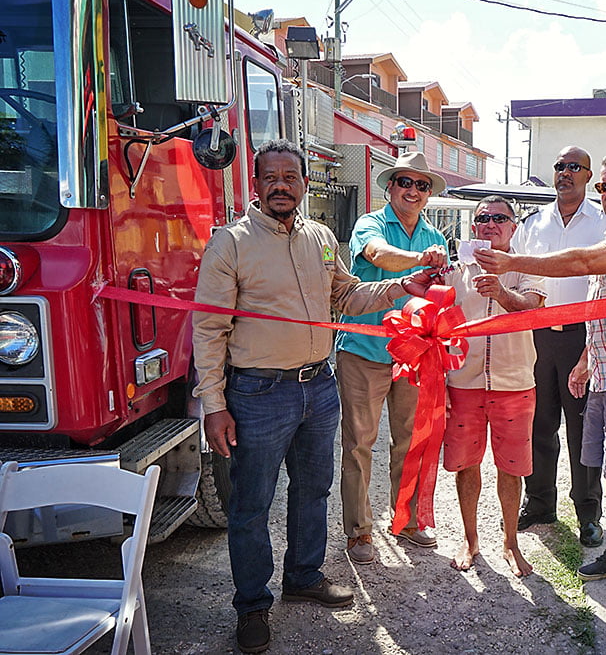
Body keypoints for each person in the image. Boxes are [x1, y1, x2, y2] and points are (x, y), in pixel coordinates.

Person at [193, 139, 433, 654]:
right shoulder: (230, 243)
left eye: (290, 177)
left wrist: (403, 286)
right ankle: (252, 604)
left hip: (318, 386)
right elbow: (209, 330)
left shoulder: (321, 238)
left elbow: (346, 296)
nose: (281, 185)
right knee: (251, 504)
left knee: (313, 490)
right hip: (257, 393)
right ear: (256, 184)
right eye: (270, 177)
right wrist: (214, 404)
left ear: (305, 184)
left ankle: (303, 576)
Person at [476, 152, 606, 613]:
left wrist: (511, 261)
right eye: (605, 186)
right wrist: (587, 359)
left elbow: (584, 263)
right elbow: (601, 301)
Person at [335, 151, 448, 565]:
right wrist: (421, 261)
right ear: (390, 187)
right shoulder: (370, 224)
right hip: (364, 353)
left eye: (422, 185)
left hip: (413, 356)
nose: (413, 191)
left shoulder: (435, 238)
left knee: (410, 442)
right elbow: (378, 255)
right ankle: (359, 531)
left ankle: (408, 520)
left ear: (428, 194)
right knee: (359, 444)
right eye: (406, 182)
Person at [511, 146, 606, 548]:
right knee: (538, 424)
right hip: (536, 339)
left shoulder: (604, 224)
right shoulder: (532, 226)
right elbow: (514, 272)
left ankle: (588, 512)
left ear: (588, 177)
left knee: (584, 429)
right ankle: (538, 503)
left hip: (581, 340)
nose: (565, 173)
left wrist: (591, 350)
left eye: (574, 167)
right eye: (559, 166)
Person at [443, 195, 546, 578]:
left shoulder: (526, 267)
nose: (490, 224)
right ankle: (471, 540)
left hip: (514, 383)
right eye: (483, 218)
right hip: (464, 383)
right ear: (474, 227)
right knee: (466, 465)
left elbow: (532, 309)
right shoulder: (457, 269)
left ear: (513, 227)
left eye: (499, 218)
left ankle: (510, 542)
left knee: (511, 467)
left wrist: (501, 293)